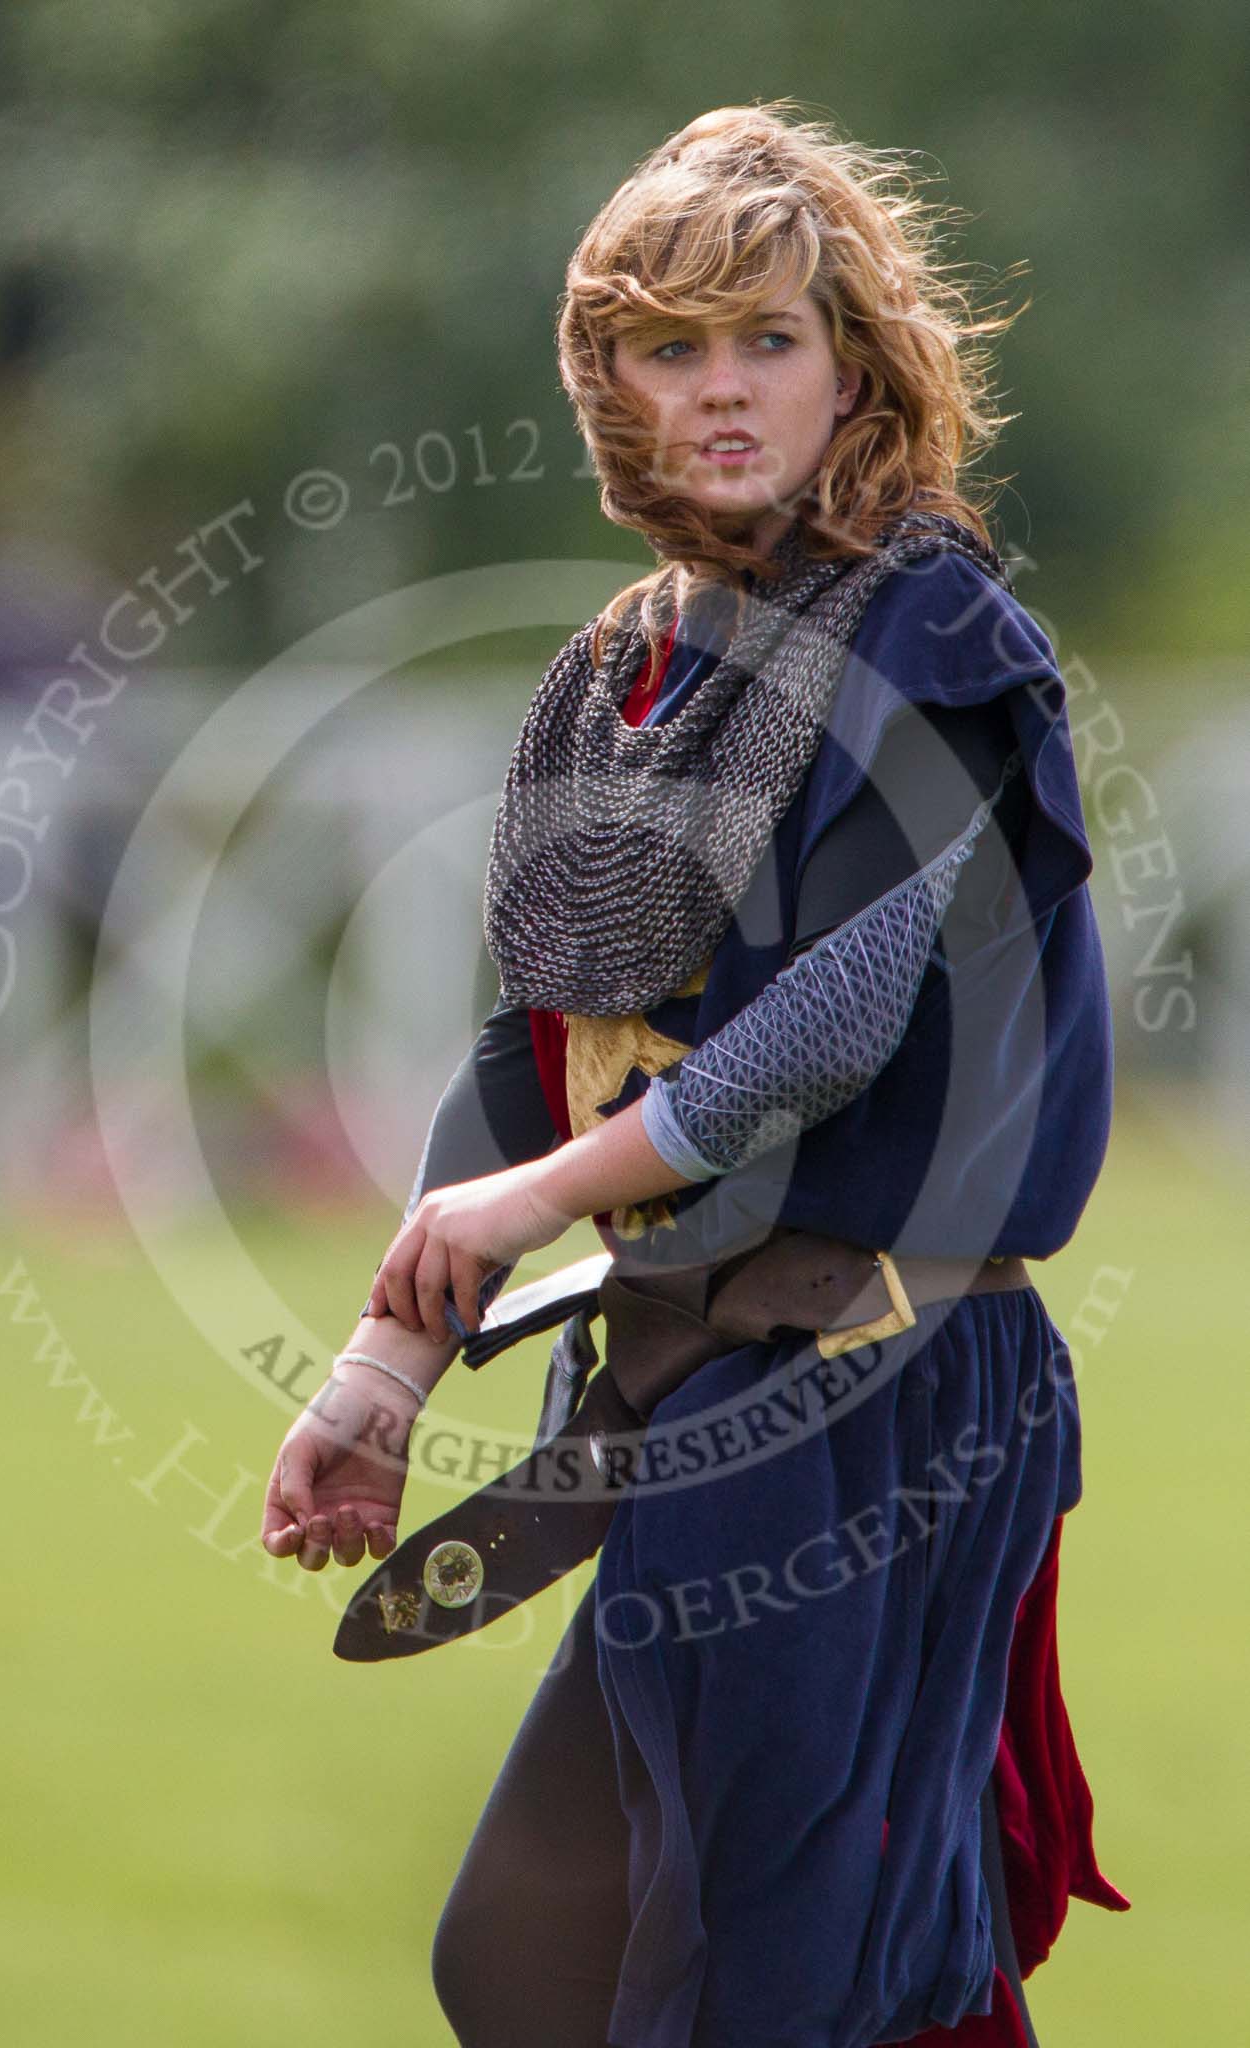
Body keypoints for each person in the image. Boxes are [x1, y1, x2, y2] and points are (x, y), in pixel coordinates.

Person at [261, 101, 1129, 2048]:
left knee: (767, 1993)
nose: (720, 387)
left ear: (853, 366)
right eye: (670, 346)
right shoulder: (621, 666)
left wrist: (541, 1200)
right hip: (691, 1387)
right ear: (611, 387)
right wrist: (387, 1362)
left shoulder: (928, 628)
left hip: (879, 1389)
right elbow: (536, 1046)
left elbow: (840, 1012)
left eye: (766, 339)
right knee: (539, 1965)